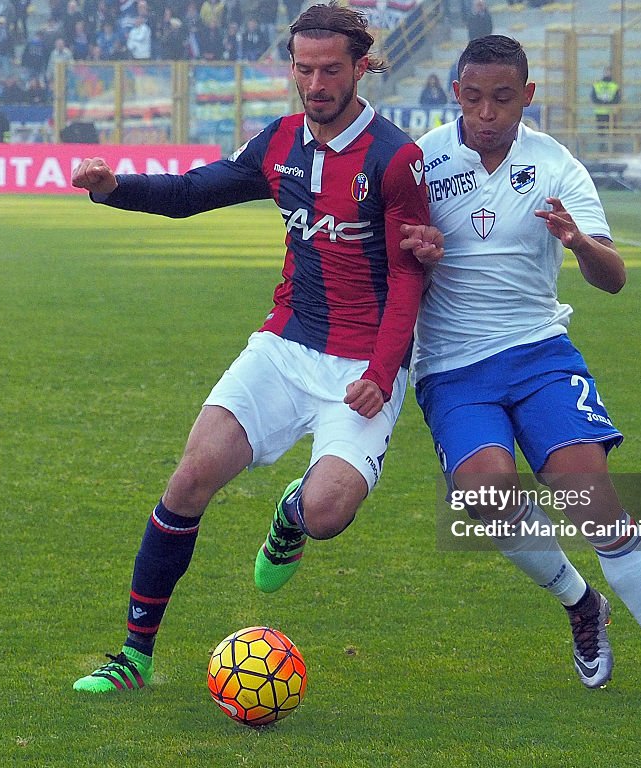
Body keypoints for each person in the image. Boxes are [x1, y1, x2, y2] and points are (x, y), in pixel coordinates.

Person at [70, 1, 429, 694]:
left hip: (363, 363)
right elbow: (189, 192)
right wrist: (114, 190)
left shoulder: (395, 158)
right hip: (286, 343)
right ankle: (133, 656)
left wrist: (383, 372)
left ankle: (292, 514)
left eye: (330, 70)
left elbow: (411, 276)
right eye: (303, 68)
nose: (315, 83)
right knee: (190, 477)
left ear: (360, 67)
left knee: (327, 514)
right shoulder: (279, 142)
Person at [400, 35, 641, 697]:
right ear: (454, 94)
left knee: (590, 496)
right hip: (451, 365)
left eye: (502, 98)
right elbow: (386, 253)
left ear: (527, 96)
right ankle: (581, 603)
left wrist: (580, 242)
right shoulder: (420, 162)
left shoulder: (556, 166)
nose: (486, 112)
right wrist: (415, 248)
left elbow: (613, 279)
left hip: (538, 354)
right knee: (487, 493)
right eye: (472, 98)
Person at [590, 67, 620, 151]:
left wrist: (608, 103)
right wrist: (602, 103)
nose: (607, 74)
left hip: (611, 113)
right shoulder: (597, 85)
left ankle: (613, 149)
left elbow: (617, 99)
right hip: (600, 112)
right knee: (601, 132)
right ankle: (601, 148)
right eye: (606, 72)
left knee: (612, 131)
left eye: (609, 72)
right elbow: (593, 98)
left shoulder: (614, 86)